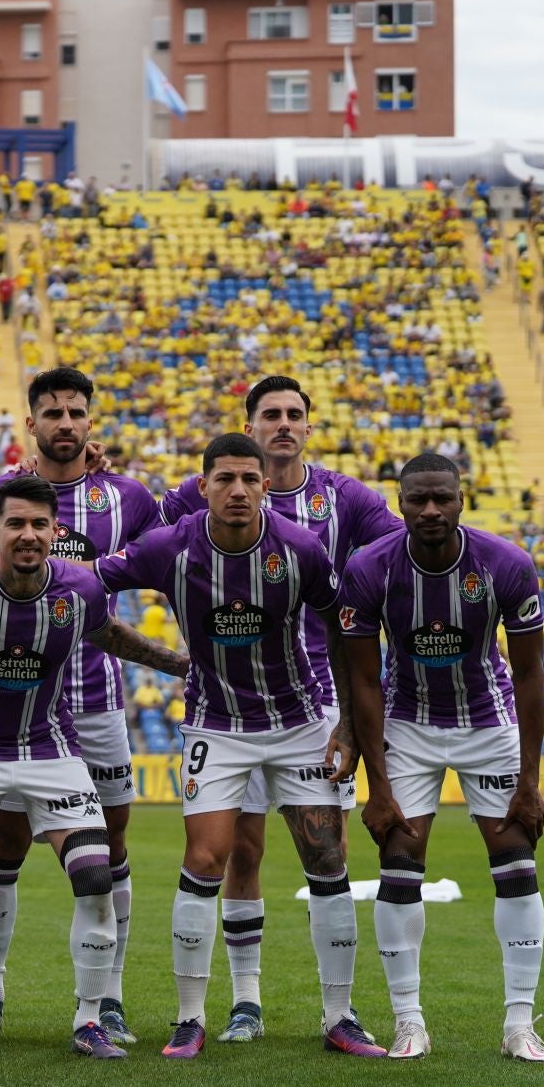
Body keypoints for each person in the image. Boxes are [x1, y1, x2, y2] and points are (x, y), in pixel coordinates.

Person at [0, 476, 189, 1063]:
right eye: (15, 524)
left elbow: (114, 636)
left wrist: (178, 664)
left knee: (97, 877)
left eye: (39, 525)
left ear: (55, 532)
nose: (27, 535)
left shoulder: (80, 588)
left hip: (52, 752)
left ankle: (90, 1019)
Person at [99, 434, 384, 1060]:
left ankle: (340, 1015)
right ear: (202, 488)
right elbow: (84, 584)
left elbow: (343, 630)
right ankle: (190, 1017)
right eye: (224, 479)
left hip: (300, 723)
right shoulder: (168, 547)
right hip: (217, 726)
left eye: (250, 480)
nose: (238, 490)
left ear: (264, 485)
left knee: (328, 861)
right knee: (205, 861)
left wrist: (347, 727)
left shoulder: (300, 547)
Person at [157, 375, 402, 1044]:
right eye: (272, 414)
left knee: (326, 851)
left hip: (314, 703)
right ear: (251, 425)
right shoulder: (202, 492)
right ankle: (242, 1002)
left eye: (296, 414)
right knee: (238, 851)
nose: (284, 424)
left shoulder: (344, 498)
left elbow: (402, 551)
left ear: (308, 426)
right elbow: (145, 542)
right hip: (226, 700)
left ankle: (340, 1013)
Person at [0, 366, 162, 1044]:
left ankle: (109, 1000)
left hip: (95, 703)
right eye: (53, 413)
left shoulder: (128, 497)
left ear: (90, 423)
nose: (66, 423)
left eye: (77, 412)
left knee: (110, 849)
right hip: (9, 711)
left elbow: (186, 543)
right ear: (30, 423)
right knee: (3, 847)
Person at [340, 453, 544, 1062]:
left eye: (442, 499)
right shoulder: (370, 568)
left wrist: (531, 780)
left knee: (515, 863)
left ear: (463, 499)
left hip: (489, 724)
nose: (430, 510)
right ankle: (409, 1021)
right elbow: (362, 683)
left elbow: (531, 672)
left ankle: (519, 1024)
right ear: (400, 502)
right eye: (417, 500)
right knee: (400, 858)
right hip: (409, 726)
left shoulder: (505, 563)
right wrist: (375, 784)